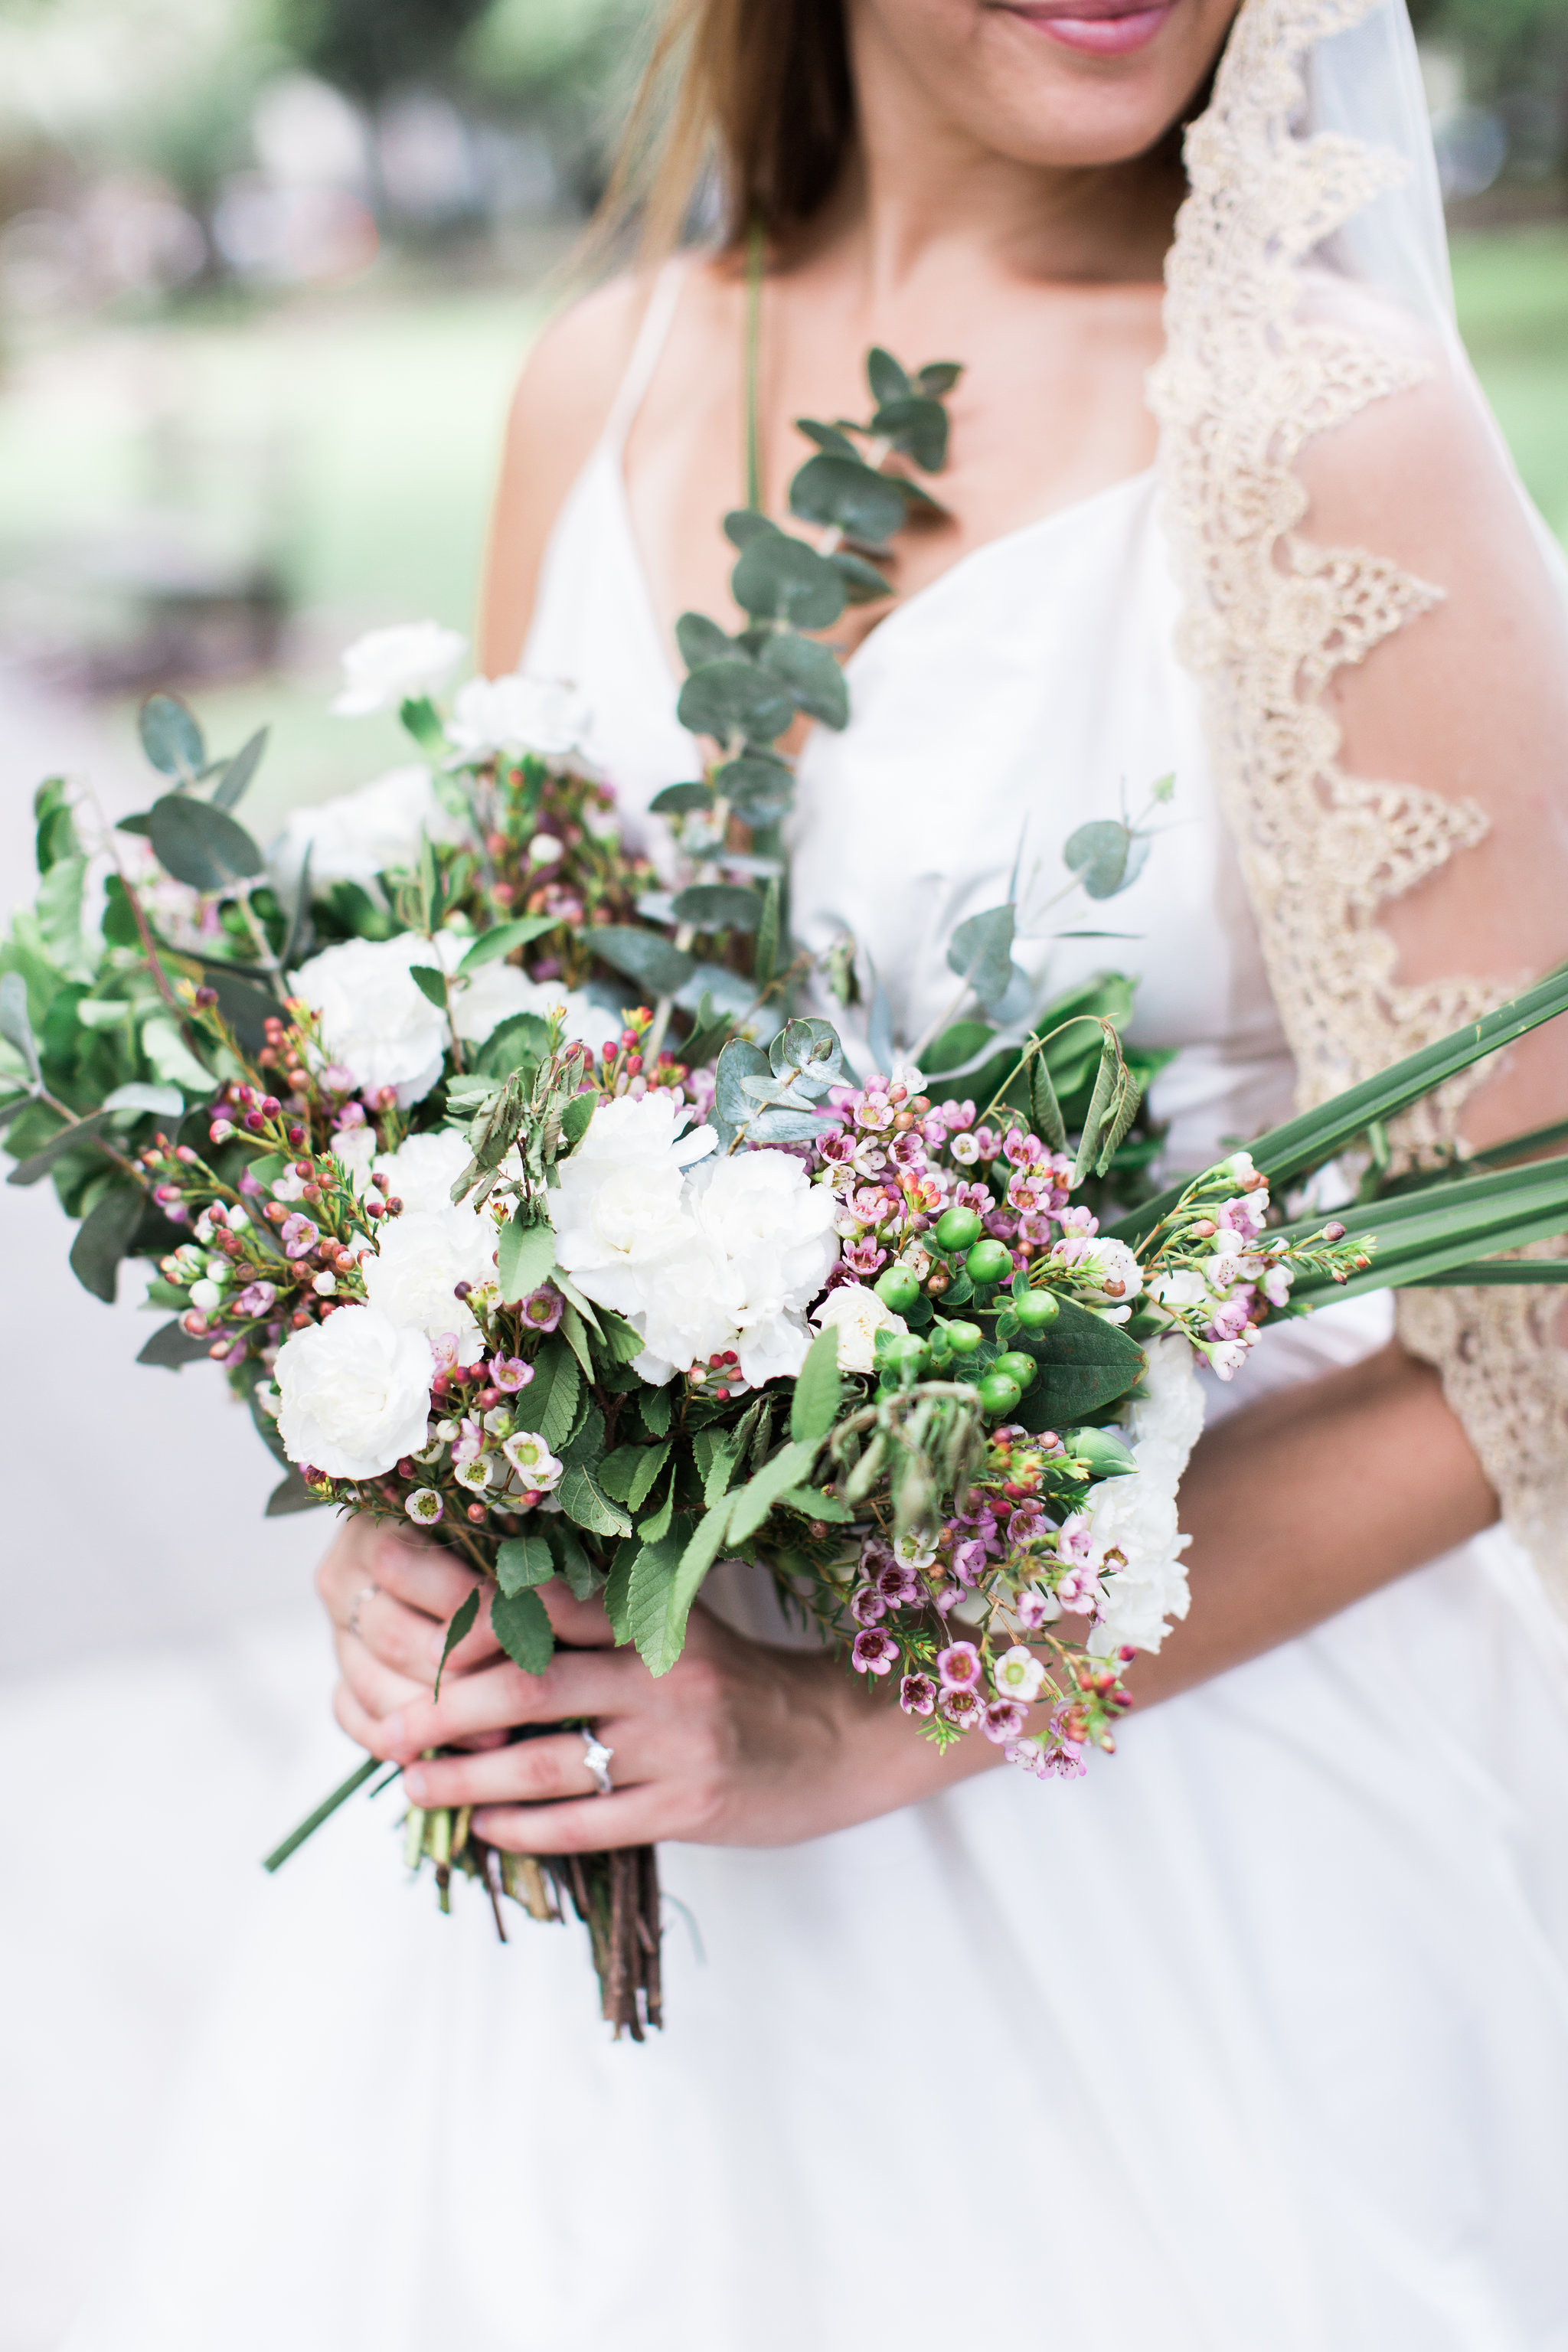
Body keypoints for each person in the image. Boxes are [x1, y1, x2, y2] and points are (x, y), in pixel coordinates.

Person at [68, 2, 1568, 2346]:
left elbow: (1539, 1315)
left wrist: (843, 1728)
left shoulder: (1324, 433)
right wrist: (429, 1488)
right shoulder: (598, 383)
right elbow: (482, 1073)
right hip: (591, 1884)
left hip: (1176, 1867)